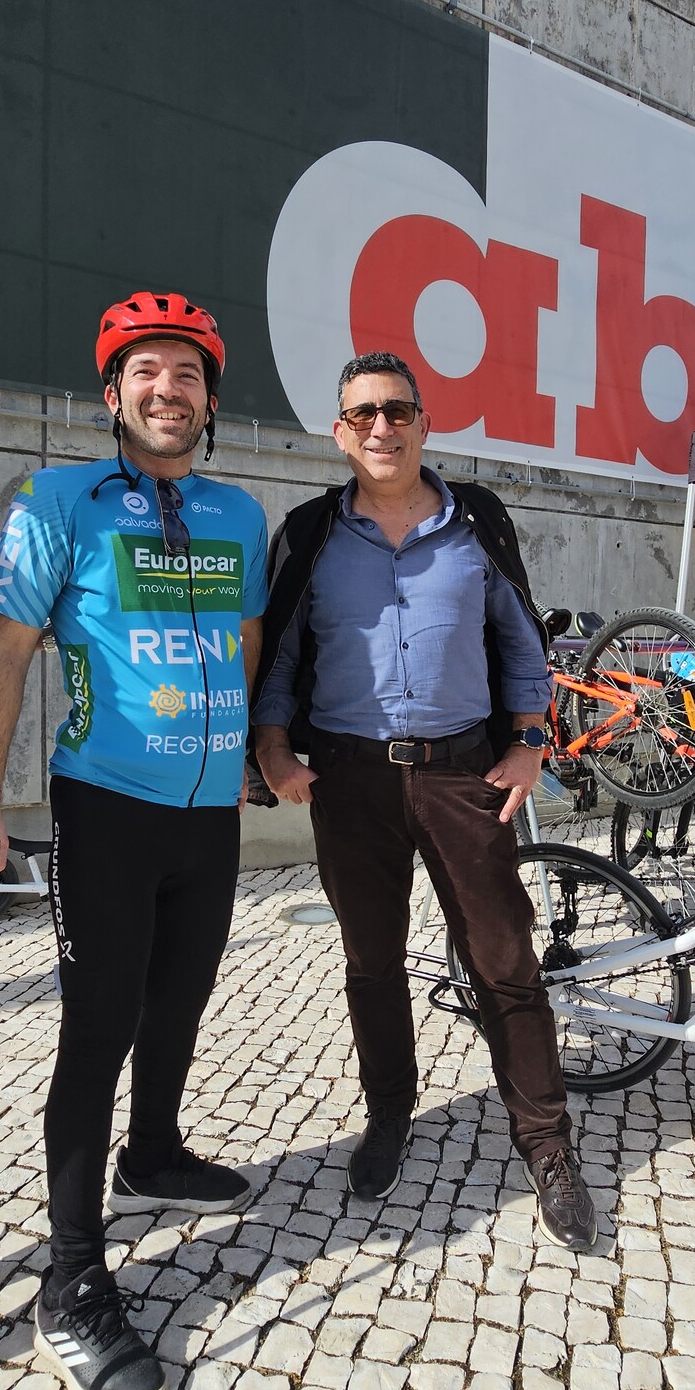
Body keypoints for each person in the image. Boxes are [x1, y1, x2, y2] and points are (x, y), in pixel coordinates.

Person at [0, 292, 267, 1390]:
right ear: (113, 395)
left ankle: (157, 1150)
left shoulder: (238, 513)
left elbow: (247, 638)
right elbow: (8, 647)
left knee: (181, 1002)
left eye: (187, 374)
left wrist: (259, 750)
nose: (165, 389)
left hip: (210, 811)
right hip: (107, 809)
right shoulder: (58, 500)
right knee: (100, 1024)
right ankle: (72, 1274)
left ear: (211, 400)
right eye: (145, 373)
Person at [250, 351, 601, 1252]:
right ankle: (390, 1115)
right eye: (362, 413)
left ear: (423, 423)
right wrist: (274, 748)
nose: (380, 426)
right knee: (371, 961)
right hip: (349, 780)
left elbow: (521, 637)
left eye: (396, 410)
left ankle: (546, 1143)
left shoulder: (476, 521)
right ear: (339, 432)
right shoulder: (308, 532)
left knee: (504, 959)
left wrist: (530, 742)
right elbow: (282, 652)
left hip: (460, 775)